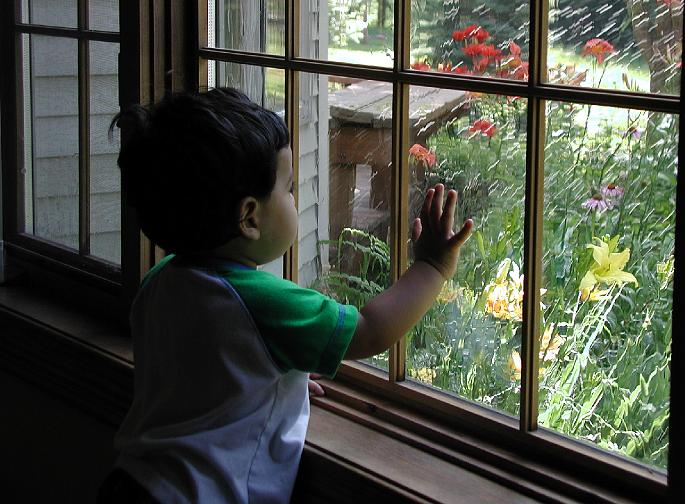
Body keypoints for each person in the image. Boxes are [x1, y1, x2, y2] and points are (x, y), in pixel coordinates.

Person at [97, 88, 473, 503]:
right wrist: (432, 268)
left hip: (132, 481)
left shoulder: (160, 282)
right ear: (249, 218)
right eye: (289, 189)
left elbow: (204, 373)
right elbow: (368, 331)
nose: (295, 198)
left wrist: (274, 381)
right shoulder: (259, 303)